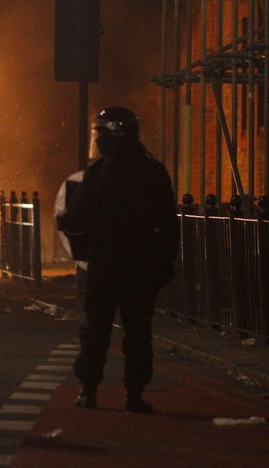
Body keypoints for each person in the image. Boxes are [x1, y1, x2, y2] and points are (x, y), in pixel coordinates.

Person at [56, 106, 179, 413]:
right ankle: (134, 394)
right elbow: (168, 223)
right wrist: (165, 264)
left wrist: (66, 220)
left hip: (106, 263)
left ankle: (88, 390)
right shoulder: (154, 171)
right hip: (143, 265)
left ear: (111, 135)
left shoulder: (99, 172)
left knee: (96, 328)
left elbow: (78, 217)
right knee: (138, 332)